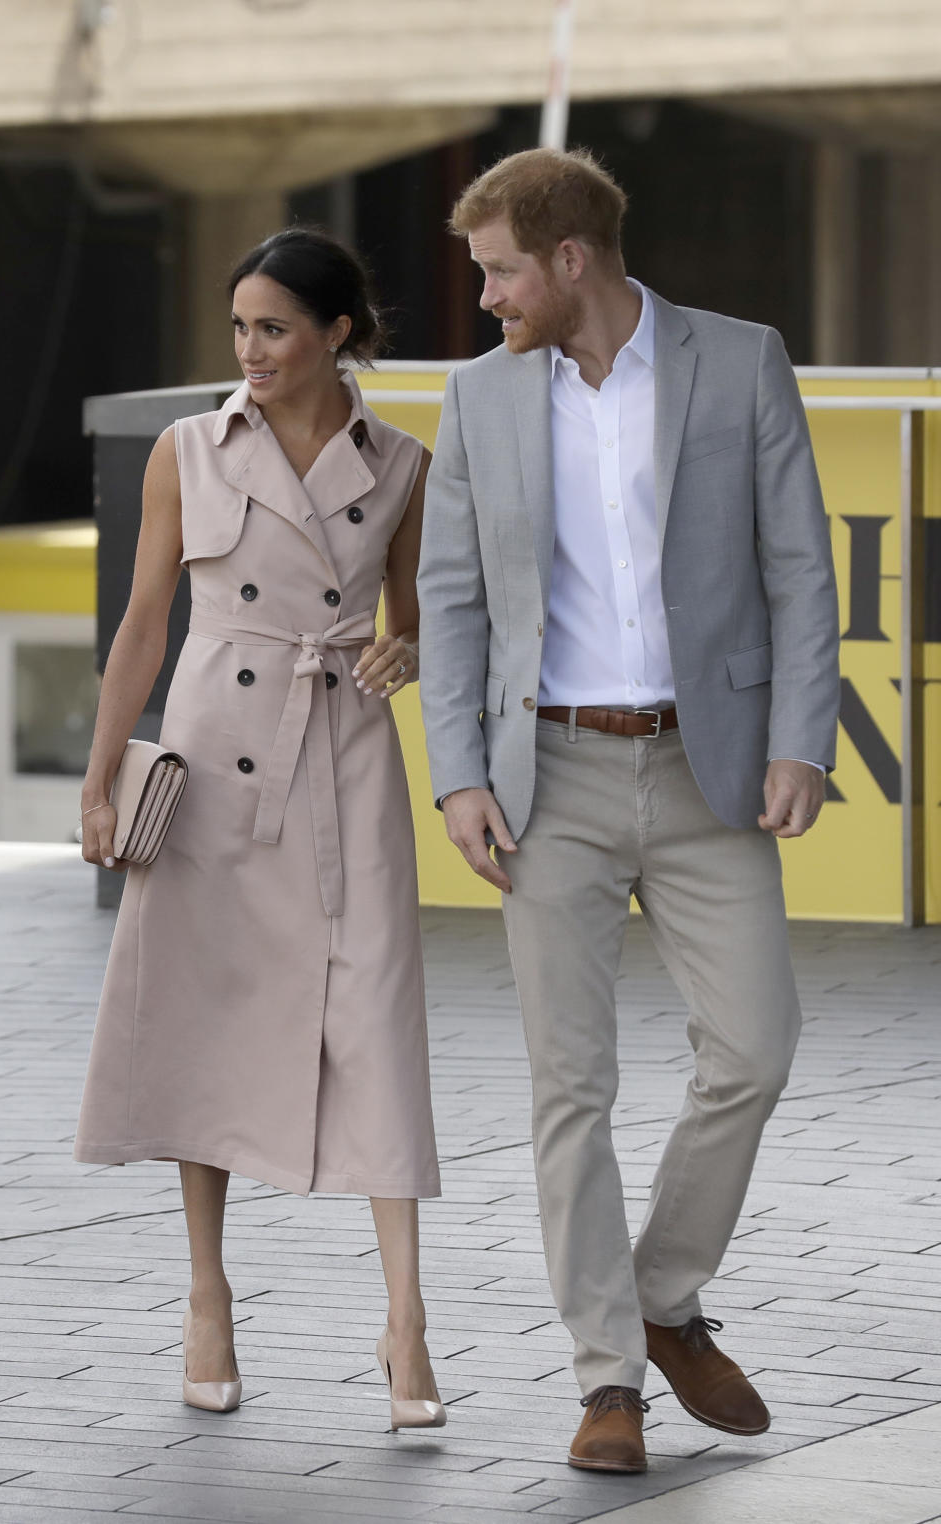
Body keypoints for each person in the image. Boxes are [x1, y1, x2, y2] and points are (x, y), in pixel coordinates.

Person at [417, 148, 839, 1473]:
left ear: (570, 262)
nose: (486, 297)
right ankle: (609, 1379)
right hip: (553, 780)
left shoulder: (739, 360)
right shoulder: (480, 398)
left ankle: (662, 1294)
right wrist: (458, 771)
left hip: (708, 765)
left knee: (756, 1051)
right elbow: (451, 600)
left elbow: (799, 565)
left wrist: (801, 742)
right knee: (570, 1090)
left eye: (498, 271)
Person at [76, 226, 445, 1432]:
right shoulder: (188, 450)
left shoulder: (402, 463)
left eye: (274, 328)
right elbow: (142, 624)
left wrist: (410, 646)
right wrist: (97, 780)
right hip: (214, 764)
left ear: (339, 333)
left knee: (378, 1020)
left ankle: (406, 1323)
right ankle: (206, 1295)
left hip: (340, 756)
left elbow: (412, 618)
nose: (251, 351)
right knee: (207, 1013)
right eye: (239, 328)